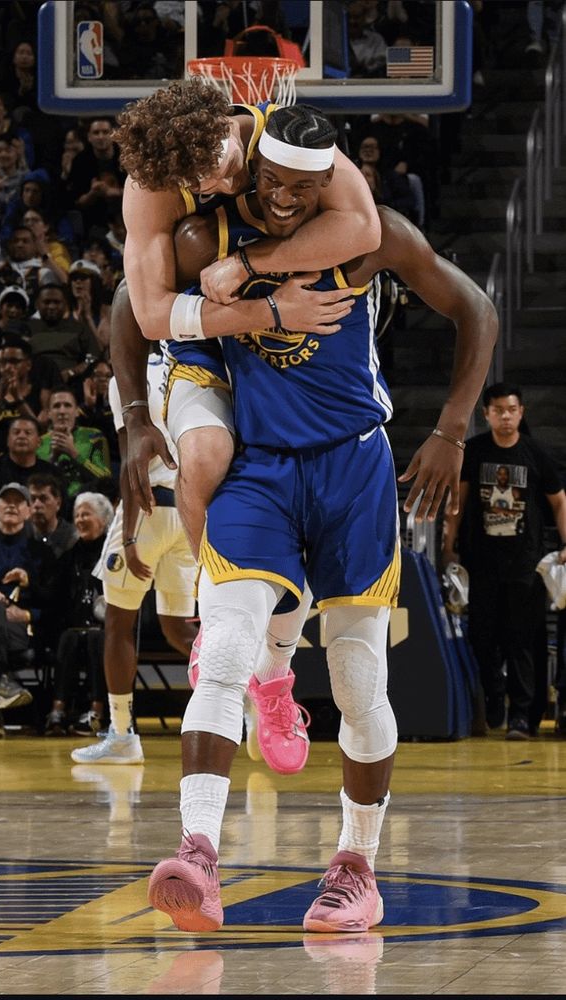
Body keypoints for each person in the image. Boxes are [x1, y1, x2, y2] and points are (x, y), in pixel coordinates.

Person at [144, 104, 497, 934]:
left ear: (332, 184)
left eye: (302, 189)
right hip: (259, 467)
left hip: (353, 464)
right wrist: (133, 412)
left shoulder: (373, 237)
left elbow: (474, 307)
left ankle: (354, 866)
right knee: (223, 643)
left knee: (355, 679)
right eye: (268, 183)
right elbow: (136, 309)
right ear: (250, 169)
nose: (280, 200)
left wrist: (450, 430)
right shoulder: (204, 241)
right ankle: (196, 853)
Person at [113, 79, 381, 562]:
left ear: (226, 127)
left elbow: (365, 226)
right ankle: (208, 598)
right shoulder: (150, 189)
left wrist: (248, 264)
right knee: (205, 455)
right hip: (205, 332)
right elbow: (146, 312)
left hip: (271, 309)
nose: (223, 187)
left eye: (228, 169)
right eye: (202, 187)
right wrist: (273, 310)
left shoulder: (283, 134)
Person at [71, 290, 198, 765]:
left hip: (146, 509)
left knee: (119, 623)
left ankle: (122, 734)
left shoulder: (129, 379)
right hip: (189, 514)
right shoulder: (201, 373)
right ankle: (243, 695)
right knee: (177, 629)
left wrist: (126, 534)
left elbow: (133, 463)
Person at [442, 382, 566, 740]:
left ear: (521, 412)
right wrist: (448, 545)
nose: (506, 416)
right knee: (483, 637)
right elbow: (458, 502)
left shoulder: (535, 453)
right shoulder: (476, 451)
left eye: (512, 410)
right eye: (499, 411)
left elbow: (559, 501)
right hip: (481, 562)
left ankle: (522, 718)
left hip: (525, 565)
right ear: (487, 414)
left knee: (523, 641)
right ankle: (494, 701)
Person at [0, 481, 55, 738]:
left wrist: (28, 585)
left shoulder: (42, 552)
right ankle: (0, 687)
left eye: (18, 501)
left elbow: (55, 601)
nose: (11, 505)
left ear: (28, 511)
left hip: (23, 628)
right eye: (5, 500)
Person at [44, 492, 114, 736]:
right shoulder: (70, 555)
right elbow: (54, 594)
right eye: (77, 515)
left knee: (97, 638)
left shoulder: (112, 553)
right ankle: (58, 710)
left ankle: (98, 711)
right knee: (68, 637)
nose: (80, 519)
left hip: (108, 628)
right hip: (75, 626)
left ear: (104, 519)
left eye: (86, 514)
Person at [0, 415, 60, 539]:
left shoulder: (51, 472)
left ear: (38, 442)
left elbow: (61, 505)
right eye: (16, 432)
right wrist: (12, 513)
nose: (21, 436)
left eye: (28, 433)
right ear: (7, 440)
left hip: (42, 537)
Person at [36, 386, 113, 501]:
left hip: (87, 502)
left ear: (77, 411)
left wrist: (74, 454)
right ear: (49, 413)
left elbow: (106, 480)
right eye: (57, 406)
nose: (62, 411)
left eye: (67, 405)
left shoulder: (94, 436)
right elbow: (34, 483)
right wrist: (52, 459)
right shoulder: (39, 442)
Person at [26, 472, 77, 558]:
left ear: (58, 503)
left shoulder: (73, 538)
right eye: (33, 499)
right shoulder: (20, 535)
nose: (37, 505)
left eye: (43, 499)